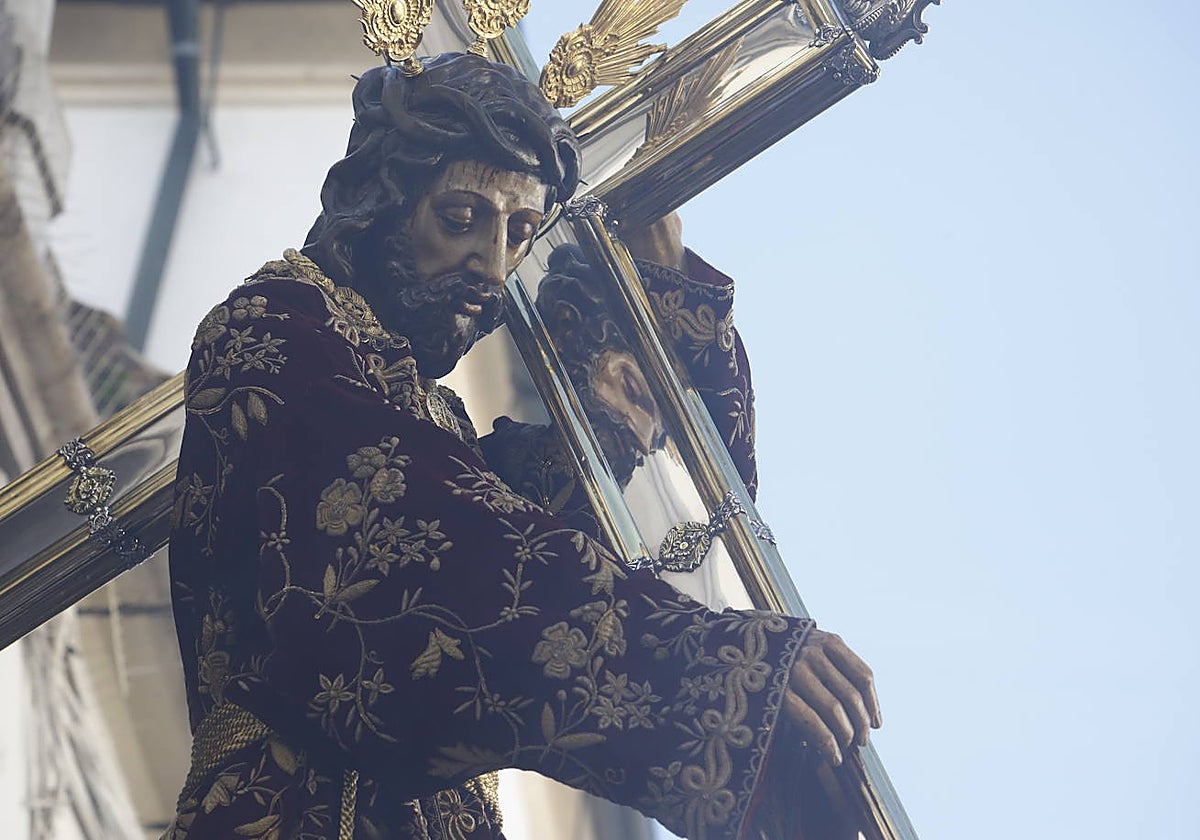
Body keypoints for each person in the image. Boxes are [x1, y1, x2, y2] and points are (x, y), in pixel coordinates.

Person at [166, 53, 878, 840]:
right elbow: (428, 556)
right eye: (462, 218)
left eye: (520, 231)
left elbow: (662, 539)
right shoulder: (274, 329)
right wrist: (722, 673)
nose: (492, 264)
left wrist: (655, 333)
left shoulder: (431, 420)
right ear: (382, 200)